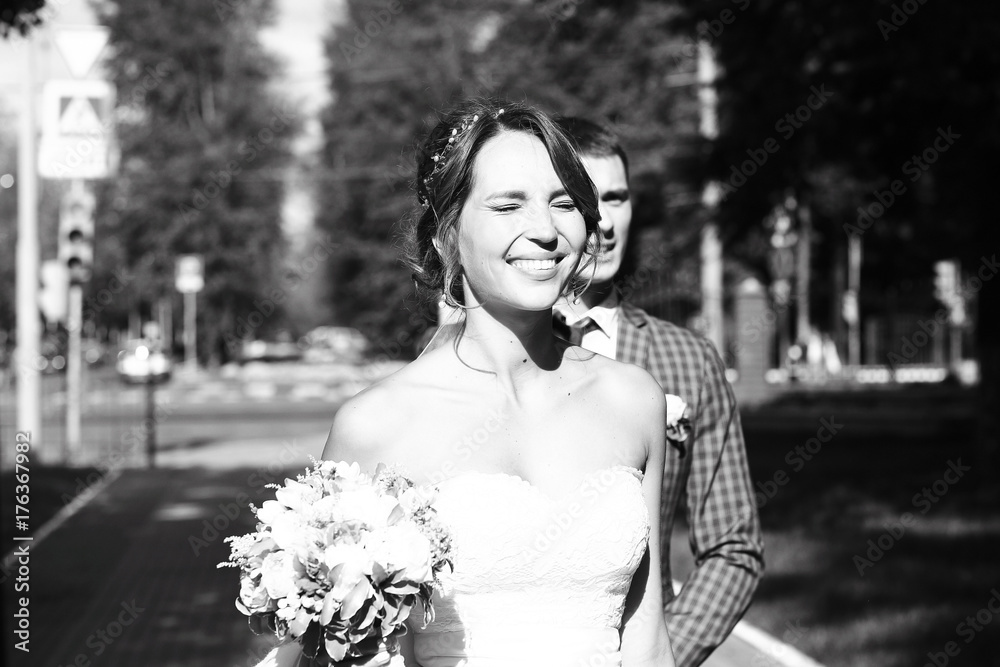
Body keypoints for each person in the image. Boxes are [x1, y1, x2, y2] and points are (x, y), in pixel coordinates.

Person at [261, 98, 675, 666]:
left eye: (564, 204)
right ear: (445, 235)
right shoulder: (378, 425)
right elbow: (336, 652)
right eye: (508, 206)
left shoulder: (632, 399)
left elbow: (648, 635)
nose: (546, 231)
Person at [552, 116, 764, 667]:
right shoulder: (489, 358)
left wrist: (660, 654)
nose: (604, 222)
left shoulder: (689, 360)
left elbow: (732, 546)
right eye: (582, 199)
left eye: (617, 199)